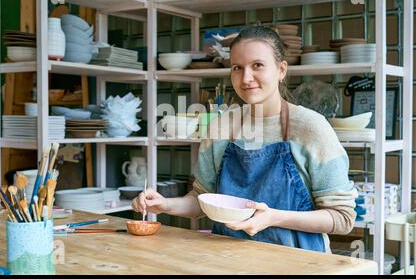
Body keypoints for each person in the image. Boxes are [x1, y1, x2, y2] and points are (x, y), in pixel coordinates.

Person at [132, 26, 357, 252]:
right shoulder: (221, 126)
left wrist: (273, 218)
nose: (246, 78)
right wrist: (165, 204)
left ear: (281, 70)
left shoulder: (311, 127)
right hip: (229, 259)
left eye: (257, 65)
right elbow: (202, 198)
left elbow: (342, 218)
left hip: (299, 262)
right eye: (237, 68)